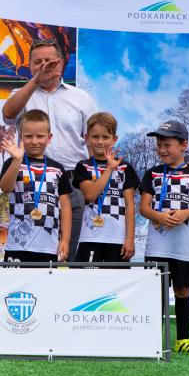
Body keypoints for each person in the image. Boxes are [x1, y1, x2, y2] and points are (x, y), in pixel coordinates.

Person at [1, 39, 96, 260]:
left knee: (71, 251)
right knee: (31, 249)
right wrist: (36, 80)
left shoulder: (81, 97)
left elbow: (92, 141)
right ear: (29, 65)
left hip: (72, 181)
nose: (43, 66)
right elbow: (7, 114)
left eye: (48, 61)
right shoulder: (21, 93)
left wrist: (93, 180)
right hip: (29, 182)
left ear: (60, 63)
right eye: (38, 62)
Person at [138, 120, 189, 355]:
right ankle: (150, 339)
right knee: (155, 293)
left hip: (183, 247)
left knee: (182, 291)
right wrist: (159, 216)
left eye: (167, 144)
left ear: (184, 145)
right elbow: (143, 208)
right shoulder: (152, 174)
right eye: (159, 145)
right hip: (156, 247)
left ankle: (183, 340)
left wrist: (186, 213)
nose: (162, 150)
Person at [0, 110, 73, 263]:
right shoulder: (13, 162)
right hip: (18, 245)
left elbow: (65, 207)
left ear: (49, 137)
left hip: (49, 246)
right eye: (28, 136)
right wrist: (17, 161)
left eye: (40, 136)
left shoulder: (57, 168)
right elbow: (5, 188)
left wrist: (65, 240)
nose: (34, 141)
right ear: (21, 136)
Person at [73, 112, 139, 263]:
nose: (100, 142)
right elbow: (90, 195)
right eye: (95, 137)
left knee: (116, 278)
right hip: (90, 237)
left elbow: (129, 205)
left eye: (105, 137)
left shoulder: (125, 168)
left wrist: (130, 238)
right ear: (87, 137)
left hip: (118, 239)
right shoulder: (83, 166)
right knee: (86, 278)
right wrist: (109, 169)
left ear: (114, 139)